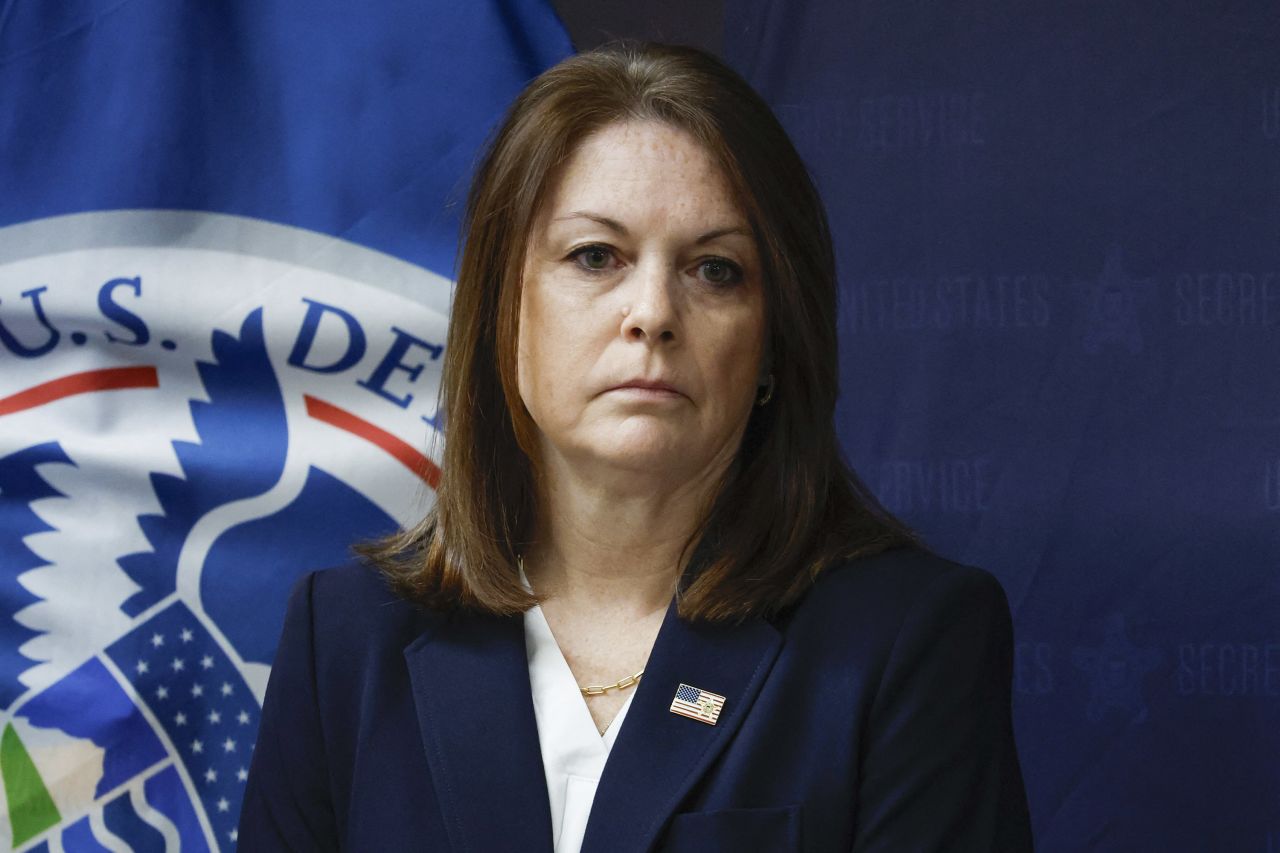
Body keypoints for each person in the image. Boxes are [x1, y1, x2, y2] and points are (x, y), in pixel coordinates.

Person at [239, 41, 1034, 852]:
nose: (652, 312)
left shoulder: (911, 642)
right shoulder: (342, 640)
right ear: (505, 312)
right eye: (596, 257)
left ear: (772, 345)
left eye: (715, 270)